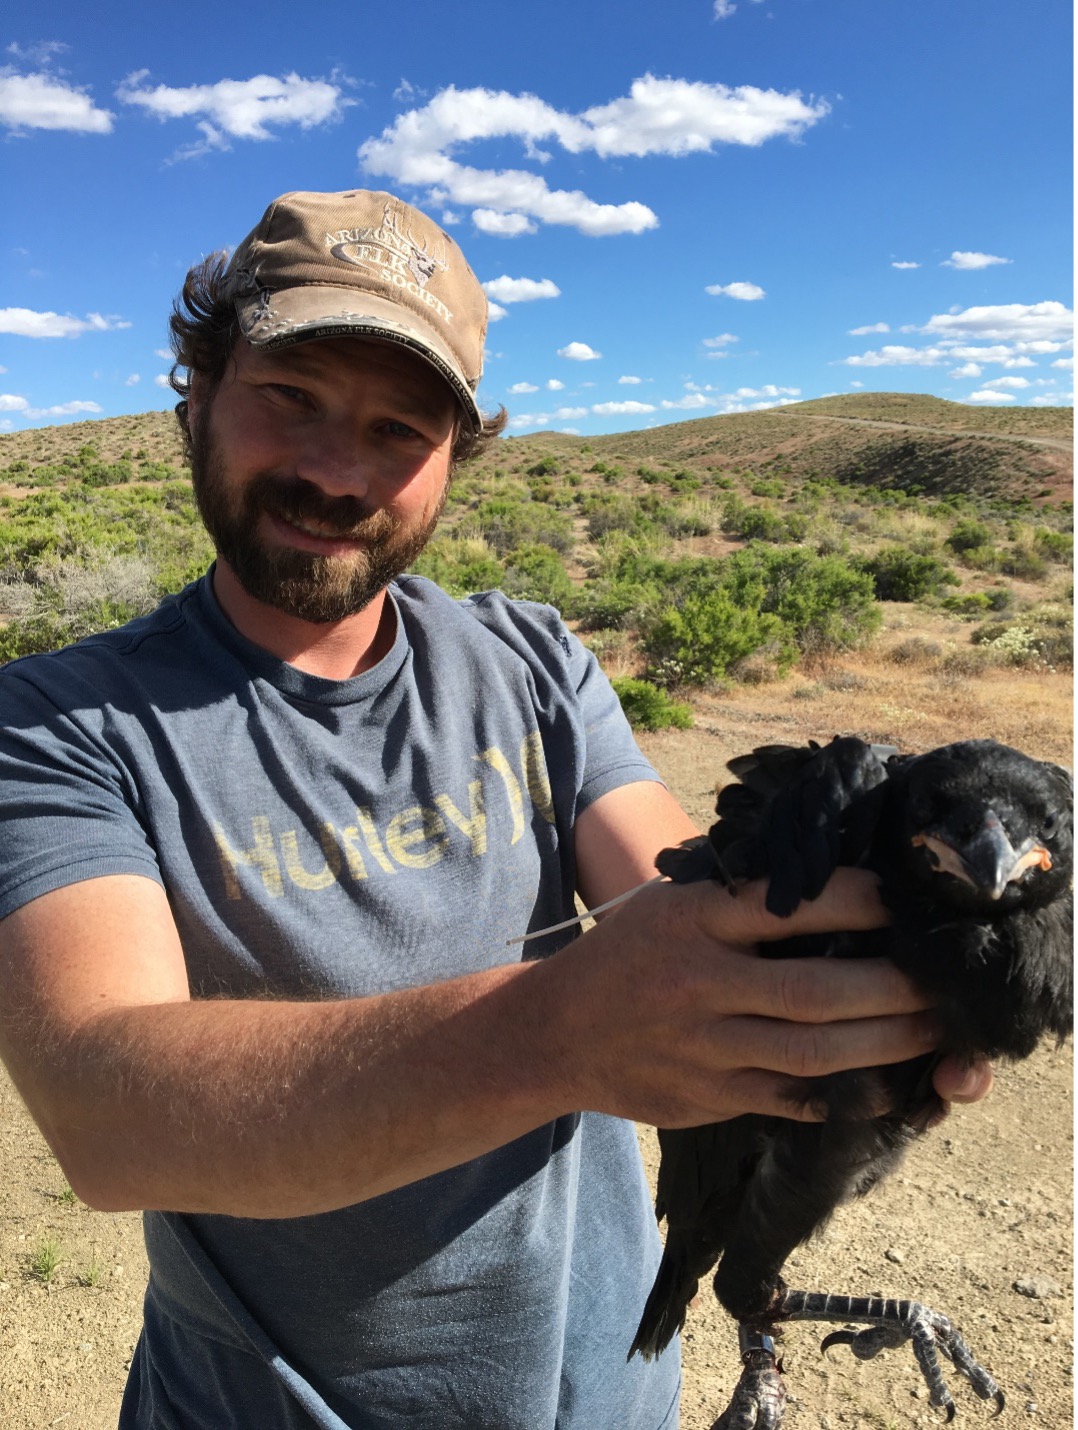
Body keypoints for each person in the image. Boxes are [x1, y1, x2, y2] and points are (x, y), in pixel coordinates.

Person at [0, 189, 991, 1430]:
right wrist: (557, 1028)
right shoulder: (59, 721)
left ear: (454, 460)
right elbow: (105, 1108)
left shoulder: (530, 661)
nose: (335, 469)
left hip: (611, 1393)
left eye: (399, 428)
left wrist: (902, 945)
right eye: (289, 398)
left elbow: (690, 894)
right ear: (195, 391)